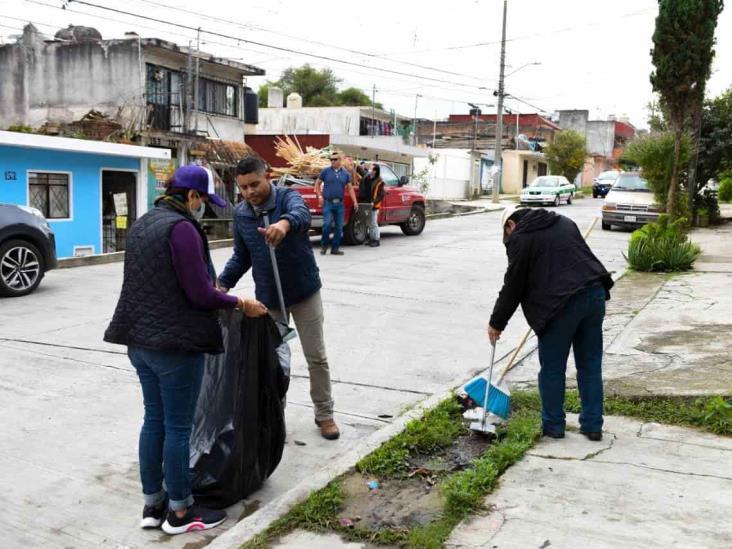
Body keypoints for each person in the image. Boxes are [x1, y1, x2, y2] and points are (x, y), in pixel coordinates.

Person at [104, 165, 268, 535]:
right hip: (174, 346)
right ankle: (180, 512)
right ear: (190, 196)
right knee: (179, 428)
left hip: (139, 342)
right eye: (204, 200)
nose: (204, 208)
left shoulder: (146, 222)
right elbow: (198, 293)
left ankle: (153, 504)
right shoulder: (181, 229)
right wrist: (239, 303)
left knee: (154, 421)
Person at [218, 155, 341, 441]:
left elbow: (301, 215)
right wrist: (222, 284)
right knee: (273, 362)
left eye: (255, 185)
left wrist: (283, 226)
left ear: (268, 176)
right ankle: (275, 417)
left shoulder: (288, 198)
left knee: (316, 357)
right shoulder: (242, 214)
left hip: (303, 292)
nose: (250, 193)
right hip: (270, 299)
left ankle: (325, 414)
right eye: (244, 188)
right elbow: (241, 255)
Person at [487, 206, 613, 442]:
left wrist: (497, 322)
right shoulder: (564, 221)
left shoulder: (521, 237)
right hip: (594, 295)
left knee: (553, 368)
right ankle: (593, 426)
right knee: (590, 364)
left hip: (560, 306)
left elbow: (513, 285)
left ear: (511, 225)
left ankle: (554, 426)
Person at [314, 152, 358, 256]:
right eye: (331, 160)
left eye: (335, 159)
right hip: (328, 203)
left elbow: (350, 189)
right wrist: (320, 196)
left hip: (339, 205)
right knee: (327, 225)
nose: (332, 161)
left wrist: (355, 201)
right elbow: (317, 184)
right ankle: (324, 246)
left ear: (340, 160)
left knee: (339, 227)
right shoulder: (325, 171)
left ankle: (335, 248)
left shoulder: (346, 173)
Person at [360, 164, 385, 247]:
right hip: (366, 203)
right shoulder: (367, 178)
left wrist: (374, 202)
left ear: (375, 171)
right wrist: (357, 166)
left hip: (374, 204)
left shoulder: (379, 181)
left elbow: (381, 195)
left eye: (371, 168)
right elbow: (360, 171)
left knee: (373, 223)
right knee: (368, 222)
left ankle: (376, 240)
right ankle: (371, 239)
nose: (369, 169)